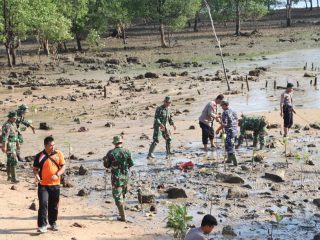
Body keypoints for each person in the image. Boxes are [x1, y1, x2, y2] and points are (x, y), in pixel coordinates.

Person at [33, 136, 66, 233]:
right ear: (45, 146)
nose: (53, 147)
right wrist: (37, 176)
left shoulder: (59, 154)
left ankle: (53, 222)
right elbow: (35, 169)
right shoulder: (39, 156)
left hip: (55, 184)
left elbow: (63, 166)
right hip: (43, 185)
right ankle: (42, 225)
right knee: (43, 204)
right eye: (51, 145)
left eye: (54, 145)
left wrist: (57, 174)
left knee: (54, 205)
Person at [103, 135, 134, 222]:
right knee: (123, 194)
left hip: (116, 178)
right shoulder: (127, 151)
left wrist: (105, 161)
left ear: (114, 143)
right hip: (125, 176)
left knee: (117, 196)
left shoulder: (110, 153)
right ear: (121, 142)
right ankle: (122, 213)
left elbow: (107, 166)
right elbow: (131, 163)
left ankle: (123, 217)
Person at [216, 101, 238, 166]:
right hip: (235, 130)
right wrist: (220, 118)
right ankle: (229, 159)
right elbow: (234, 120)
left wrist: (217, 130)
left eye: (222, 106)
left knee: (229, 146)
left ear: (225, 105)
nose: (222, 107)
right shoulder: (233, 111)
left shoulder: (225, 112)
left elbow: (224, 124)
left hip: (229, 131)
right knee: (231, 144)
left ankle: (234, 161)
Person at [1, 111, 19, 183]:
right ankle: (13, 178)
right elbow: (5, 137)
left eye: (15, 118)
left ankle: (9, 177)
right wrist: (4, 146)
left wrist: (18, 143)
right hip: (9, 145)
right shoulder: (7, 125)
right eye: (14, 118)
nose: (15, 119)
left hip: (13, 144)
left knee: (9, 161)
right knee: (14, 160)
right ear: (10, 118)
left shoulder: (13, 124)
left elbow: (16, 133)